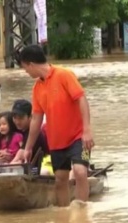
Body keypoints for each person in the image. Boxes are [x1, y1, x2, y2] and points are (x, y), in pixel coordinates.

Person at [19, 44, 95, 207]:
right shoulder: (37, 88)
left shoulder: (64, 75)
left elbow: (81, 99)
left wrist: (87, 130)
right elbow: (36, 119)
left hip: (79, 137)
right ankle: (64, 217)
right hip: (56, 141)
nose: (27, 72)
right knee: (60, 180)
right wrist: (28, 147)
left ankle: (82, 213)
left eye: (26, 68)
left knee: (80, 172)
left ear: (31, 64)